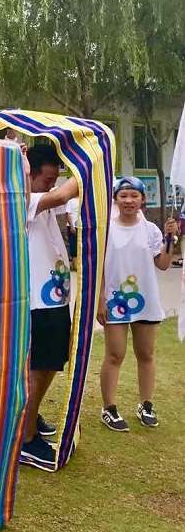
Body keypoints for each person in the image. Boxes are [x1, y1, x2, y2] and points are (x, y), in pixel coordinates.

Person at [97, 177, 177, 432]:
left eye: (134, 196)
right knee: (115, 354)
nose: (129, 200)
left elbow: (163, 263)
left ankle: (146, 404)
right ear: (115, 200)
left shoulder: (151, 230)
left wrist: (171, 239)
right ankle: (109, 408)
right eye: (123, 196)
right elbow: (98, 267)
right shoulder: (106, 229)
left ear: (143, 200)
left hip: (146, 300)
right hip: (115, 301)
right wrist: (100, 300)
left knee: (146, 354)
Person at [20, 145, 79, 465]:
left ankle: (31, 419)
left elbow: (63, 204)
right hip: (36, 303)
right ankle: (25, 439)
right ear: (28, 174)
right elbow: (61, 195)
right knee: (36, 370)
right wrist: (90, 163)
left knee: (49, 366)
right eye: (46, 178)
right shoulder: (22, 199)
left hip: (54, 298)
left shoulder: (45, 199)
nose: (52, 184)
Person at [65, 196, 80, 270]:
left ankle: (80, 266)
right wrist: (72, 226)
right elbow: (68, 214)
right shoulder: (70, 201)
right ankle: (75, 266)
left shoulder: (83, 200)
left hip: (82, 226)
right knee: (74, 246)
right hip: (73, 226)